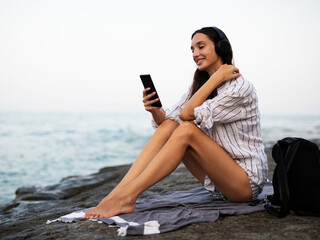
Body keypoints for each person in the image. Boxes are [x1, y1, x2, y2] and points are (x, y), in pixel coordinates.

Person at [83, 26, 268, 219]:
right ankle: (115, 196)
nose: (195, 54)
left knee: (187, 130)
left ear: (221, 48)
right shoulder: (200, 85)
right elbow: (169, 120)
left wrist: (218, 77)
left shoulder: (240, 88)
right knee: (170, 127)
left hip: (245, 185)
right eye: (192, 49)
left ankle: (127, 198)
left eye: (201, 47)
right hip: (219, 185)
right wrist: (155, 110)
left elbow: (187, 115)